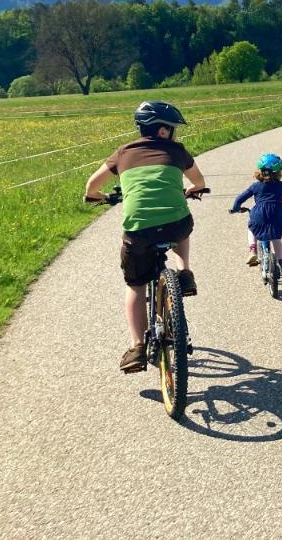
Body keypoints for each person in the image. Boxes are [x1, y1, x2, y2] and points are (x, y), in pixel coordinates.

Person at [84, 100, 207, 373]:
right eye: (172, 129)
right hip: (175, 225)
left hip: (139, 232)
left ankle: (137, 346)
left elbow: (91, 186)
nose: (174, 134)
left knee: (136, 285)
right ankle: (184, 271)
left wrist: (100, 197)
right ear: (163, 131)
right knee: (183, 226)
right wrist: (192, 190)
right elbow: (199, 182)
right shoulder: (178, 151)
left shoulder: (123, 152)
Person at [230, 153, 282, 275]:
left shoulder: (255, 186)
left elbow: (239, 199)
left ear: (259, 171)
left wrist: (235, 209)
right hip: (277, 213)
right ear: (279, 172)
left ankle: (252, 251)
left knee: (252, 227)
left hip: (259, 214)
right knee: (276, 237)